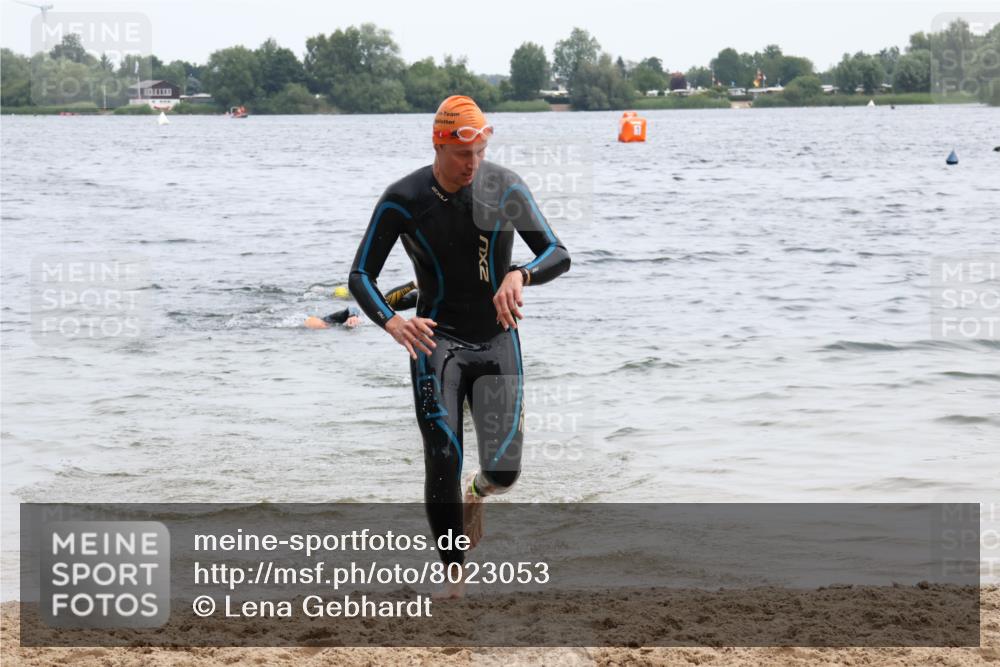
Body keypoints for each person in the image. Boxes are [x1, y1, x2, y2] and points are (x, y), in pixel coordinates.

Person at [348, 95, 570, 598]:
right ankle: (454, 575)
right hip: (436, 340)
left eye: (480, 152)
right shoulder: (403, 198)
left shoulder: (504, 186)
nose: (473, 165)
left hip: (496, 337)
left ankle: (479, 493)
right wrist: (390, 321)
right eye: (462, 155)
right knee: (443, 453)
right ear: (439, 145)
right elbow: (361, 274)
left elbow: (558, 253)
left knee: (504, 471)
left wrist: (521, 274)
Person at [304, 280, 417, 329]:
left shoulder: (328, 321)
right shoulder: (328, 323)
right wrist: (414, 284)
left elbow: (351, 308)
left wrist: (352, 315)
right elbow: (388, 303)